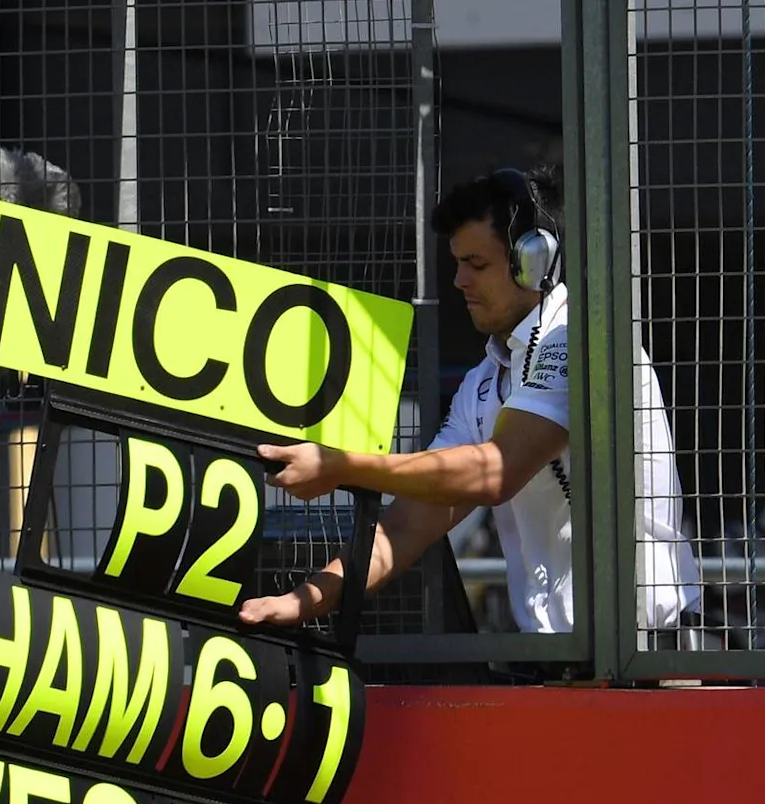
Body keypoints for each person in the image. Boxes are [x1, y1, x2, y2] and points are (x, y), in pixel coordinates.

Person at [238, 166, 699, 640]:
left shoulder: (581, 338)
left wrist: (342, 467)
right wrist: (304, 601)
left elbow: (494, 471)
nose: (458, 280)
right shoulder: (484, 380)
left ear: (535, 262)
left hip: (643, 663)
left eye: (477, 264)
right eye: (457, 262)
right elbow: (405, 527)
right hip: (560, 664)